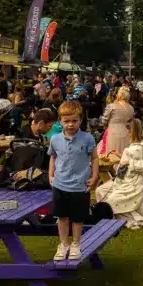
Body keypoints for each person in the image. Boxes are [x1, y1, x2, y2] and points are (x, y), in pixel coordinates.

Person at [48, 101, 98, 260]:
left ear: (80, 120)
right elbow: (53, 157)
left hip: (80, 185)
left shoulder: (88, 138)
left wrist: (95, 177)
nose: (70, 124)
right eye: (66, 121)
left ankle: (76, 244)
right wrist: (50, 175)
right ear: (60, 121)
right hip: (60, 184)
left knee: (77, 218)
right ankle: (63, 244)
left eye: (74, 121)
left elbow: (95, 158)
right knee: (62, 217)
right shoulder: (55, 139)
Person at [95, 119, 143, 230]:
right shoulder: (132, 145)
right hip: (125, 179)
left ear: (134, 131)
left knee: (112, 200)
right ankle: (107, 216)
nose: (127, 134)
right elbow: (127, 164)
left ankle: (124, 217)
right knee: (100, 191)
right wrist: (121, 157)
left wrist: (128, 162)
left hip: (141, 182)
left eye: (129, 131)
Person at [101, 87, 135, 160]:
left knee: (111, 155)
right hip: (126, 133)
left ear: (118, 95)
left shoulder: (111, 106)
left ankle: (113, 170)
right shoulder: (131, 108)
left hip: (112, 133)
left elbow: (104, 120)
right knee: (124, 155)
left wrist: (105, 124)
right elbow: (131, 123)